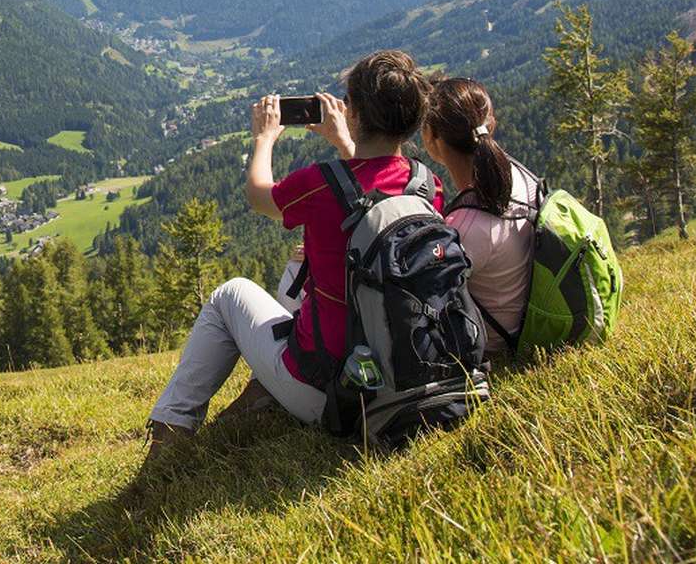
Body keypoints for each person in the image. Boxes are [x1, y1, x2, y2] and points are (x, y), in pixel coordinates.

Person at [144, 50, 440, 452]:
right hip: (401, 374)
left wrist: (264, 139)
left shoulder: (320, 184)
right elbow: (372, 196)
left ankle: (170, 434)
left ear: (354, 114)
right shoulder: (425, 186)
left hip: (334, 392)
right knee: (295, 270)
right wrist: (345, 141)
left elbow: (258, 196)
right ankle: (261, 393)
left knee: (228, 296)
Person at [421, 77, 535, 358]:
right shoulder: (519, 176)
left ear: (432, 137)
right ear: (490, 123)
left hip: (494, 345)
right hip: (525, 314)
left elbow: (428, 295)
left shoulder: (465, 227)